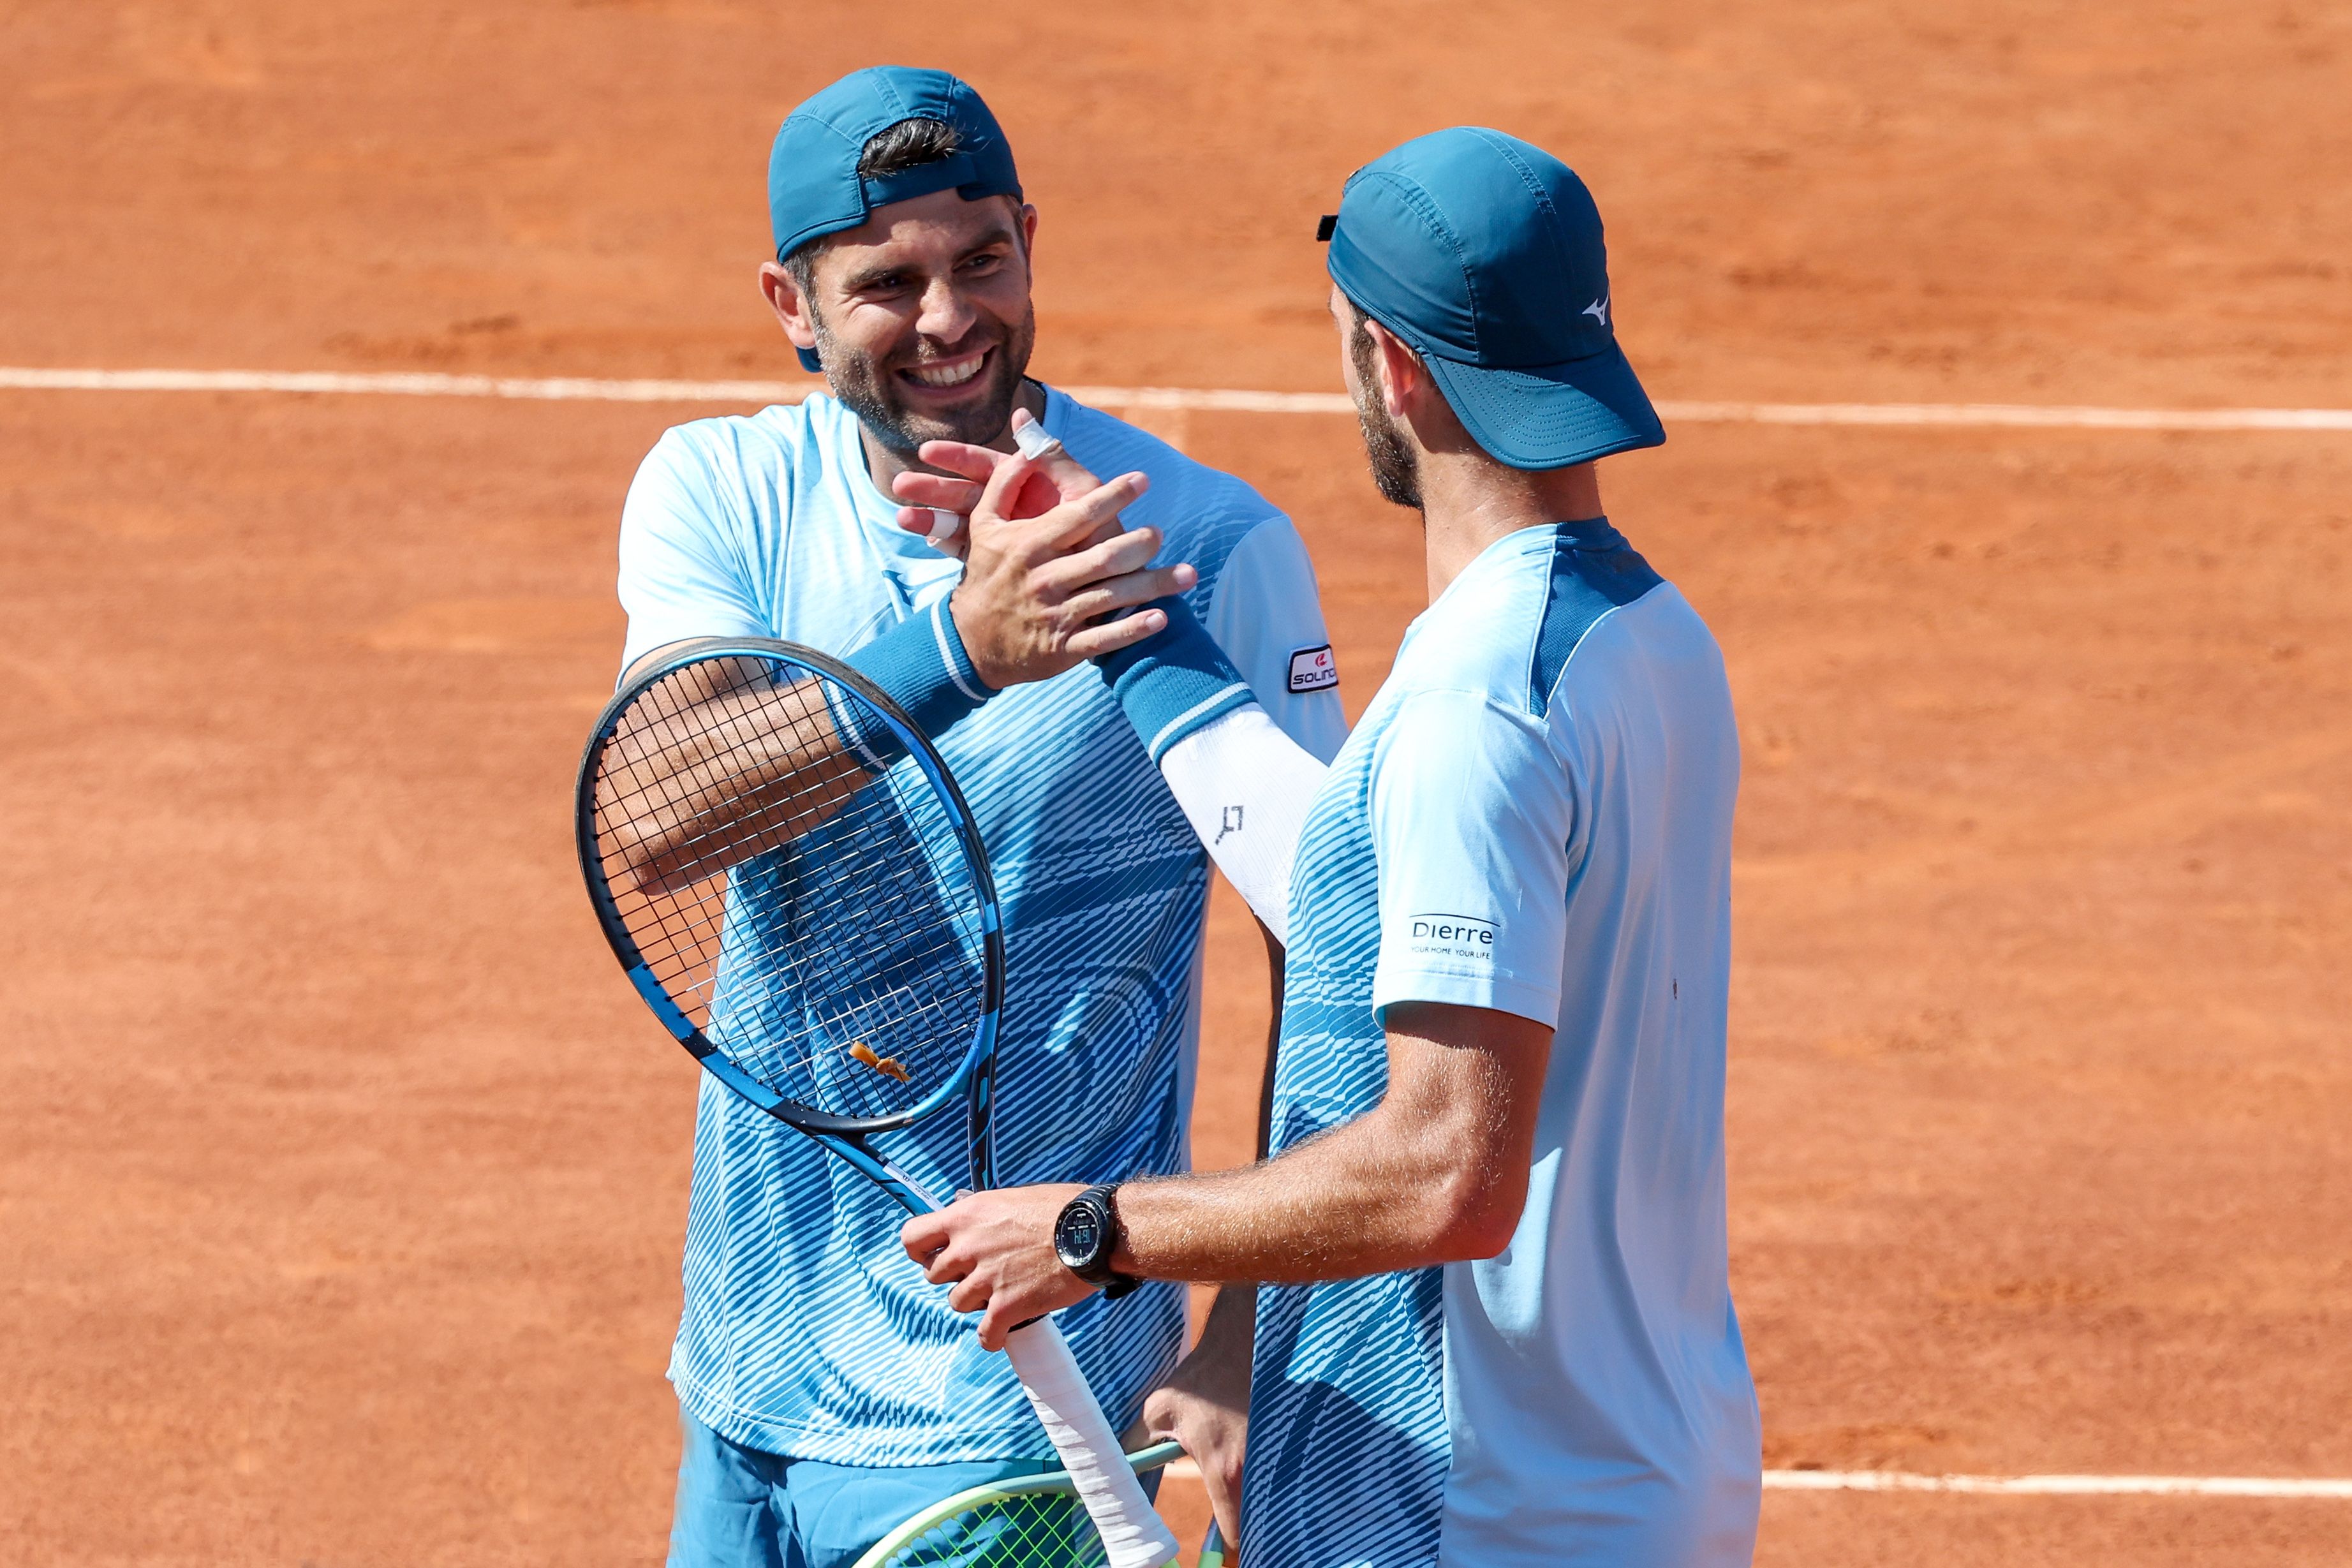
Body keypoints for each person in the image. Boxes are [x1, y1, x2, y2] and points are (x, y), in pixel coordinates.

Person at [903, 127, 1764, 1567]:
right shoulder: (1642, 640)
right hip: (1638, 1463)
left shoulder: (1472, 711)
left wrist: (1090, 1231)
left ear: (1391, 363)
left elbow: (1446, 1172)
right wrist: (1139, 624)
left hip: (1481, 1505)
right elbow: (1363, 886)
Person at [612, 65, 1347, 1568]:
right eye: (888, 281)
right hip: (749, 1372)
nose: (950, 319)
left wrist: (1240, 1324)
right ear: (791, 304)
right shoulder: (725, 488)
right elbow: (657, 818)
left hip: (1018, 1409)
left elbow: (1323, 954)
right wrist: (955, 652)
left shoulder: (1206, 545)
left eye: (983, 261)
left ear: (1031, 240)